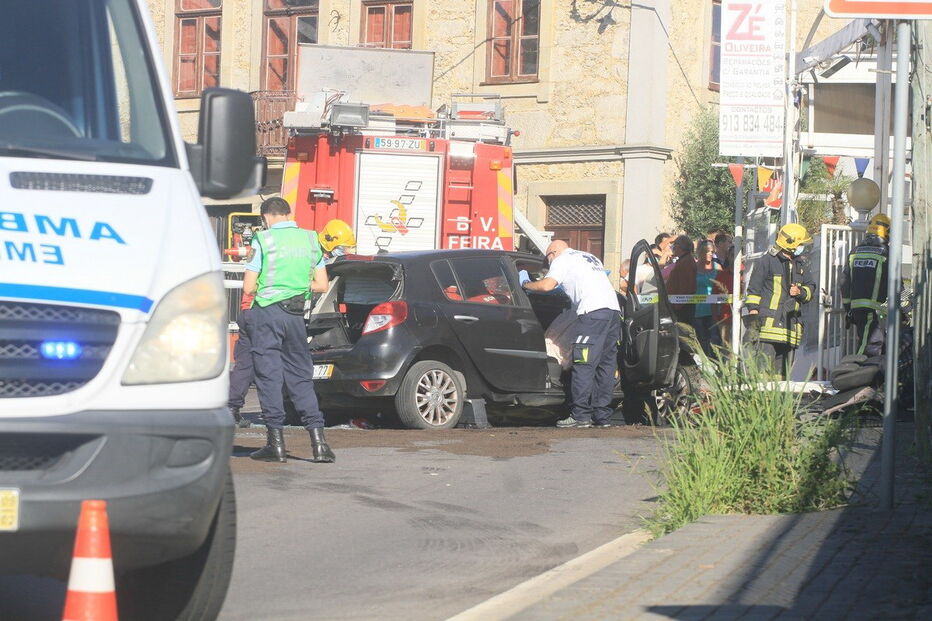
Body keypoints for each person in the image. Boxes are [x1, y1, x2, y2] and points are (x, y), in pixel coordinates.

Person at [242, 197, 335, 463]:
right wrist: (297, 288)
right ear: (288, 214)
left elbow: (249, 287)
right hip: (295, 317)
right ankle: (319, 444)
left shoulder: (263, 240)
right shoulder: (310, 239)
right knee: (300, 376)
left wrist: (272, 289)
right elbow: (321, 284)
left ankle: (276, 444)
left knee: (269, 376)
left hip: (267, 314)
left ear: (266, 217)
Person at [523, 240, 621, 428]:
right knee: (605, 365)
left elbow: (547, 286)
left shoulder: (562, 260)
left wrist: (527, 284)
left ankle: (581, 416)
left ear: (552, 253)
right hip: (612, 313)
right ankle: (602, 417)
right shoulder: (590, 257)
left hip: (591, 314)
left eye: (548, 261)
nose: (549, 264)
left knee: (583, 362)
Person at [743, 223, 816, 379]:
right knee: (762, 373)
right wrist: (754, 315)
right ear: (791, 244)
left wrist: (800, 292)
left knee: (781, 376)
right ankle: (761, 402)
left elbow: (811, 288)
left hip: (791, 328)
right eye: (800, 244)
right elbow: (753, 290)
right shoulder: (767, 261)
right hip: (769, 328)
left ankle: (778, 401)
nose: (802, 247)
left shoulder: (800, 264)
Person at [839, 213, 890, 356]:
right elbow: (895, 283)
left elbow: (844, 282)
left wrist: (848, 308)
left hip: (857, 308)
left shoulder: (855, 252)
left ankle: (872, 375)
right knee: (871, 344)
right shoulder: (886, 253)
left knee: (870, 341)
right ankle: (857, 373)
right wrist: (905, 309)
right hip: (875, 309)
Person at [227, 287, 258, 429]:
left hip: (248, 310)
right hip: (268, 310)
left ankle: (231, 408)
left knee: (245, 364)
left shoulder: (258, 264)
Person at [693, 240, 721, 357]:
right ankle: (705, 366)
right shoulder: (693, 268)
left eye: (712, 252)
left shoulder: (717, 267)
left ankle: (716, 364)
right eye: (707, 251)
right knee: (701, 340)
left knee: (715, 340)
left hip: (714, 310)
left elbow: (723, 286)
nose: (710, 254)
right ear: (700, 252)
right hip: (697, 310)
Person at [663, 235, 697, 324]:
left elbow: (686, 286)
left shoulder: (686, 262)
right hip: (678, 304)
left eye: (675, 245)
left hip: (682, 307)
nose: (673, 247)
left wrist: (678, 305)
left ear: (679, 246)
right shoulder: (684, 260)